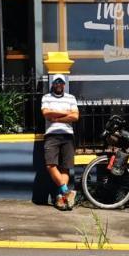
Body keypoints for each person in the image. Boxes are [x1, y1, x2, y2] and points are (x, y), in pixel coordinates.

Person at [41, 74, 79, 210]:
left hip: (68, 135)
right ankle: (66, 191)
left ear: (64, 84)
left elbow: (75, 116)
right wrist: (65, 113)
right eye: (56, 82)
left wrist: (56, 118)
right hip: (51, 135)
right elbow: (46, 113)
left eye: (61, 82)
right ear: (53, 84)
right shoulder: (46, 97)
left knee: (65, 167)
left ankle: (61, 200)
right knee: (50, 164)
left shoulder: (71, 98)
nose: (58, 84)